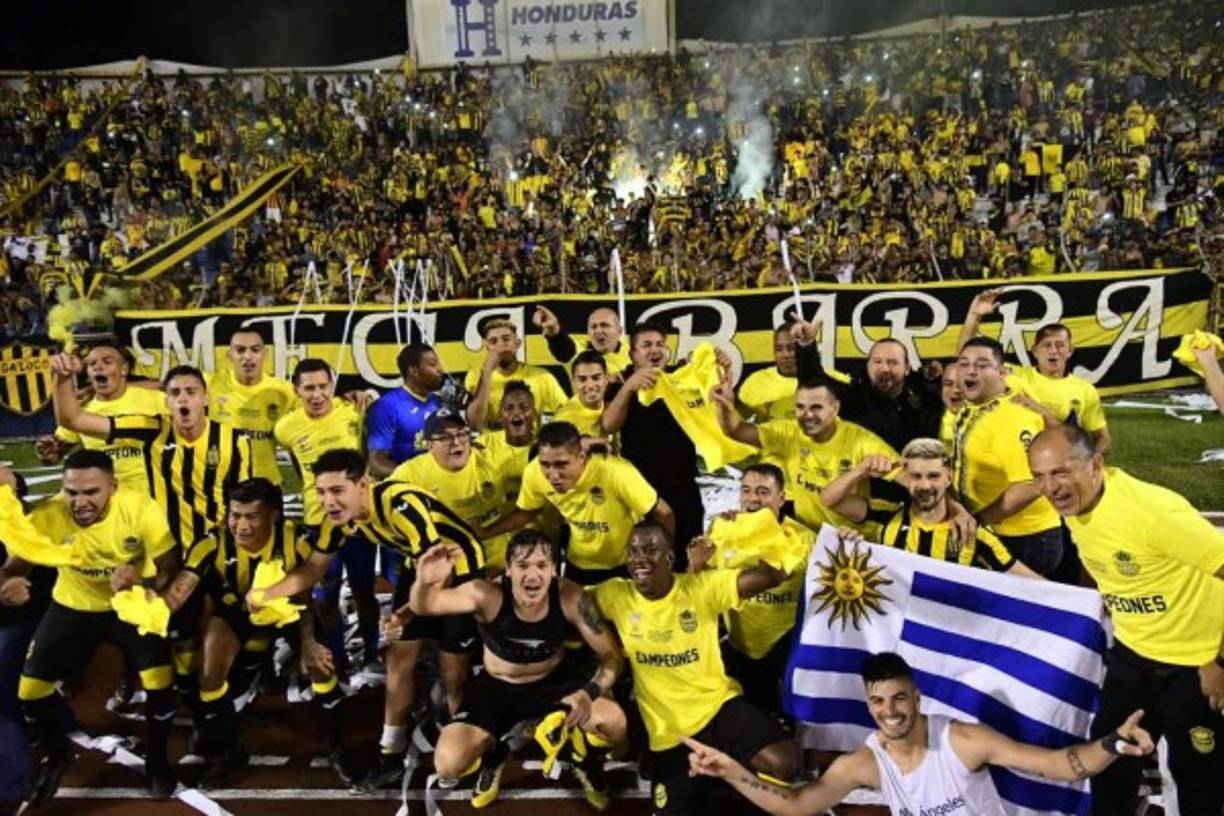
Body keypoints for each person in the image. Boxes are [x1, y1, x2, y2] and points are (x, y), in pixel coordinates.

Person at [246, 449, 485, 790]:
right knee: (399, 662)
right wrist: (267, 594)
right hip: (418, 570)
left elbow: (438, 569)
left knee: (453, 675)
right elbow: (314, 568)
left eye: (337, 491)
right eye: (322, 492)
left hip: (458, 572)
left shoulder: (401, 503)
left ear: (364, 484)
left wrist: (404, 614)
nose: (328, 501)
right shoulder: (338, 519)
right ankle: (391, 751)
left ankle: (464, 751)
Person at [685, 651, 1155, 816]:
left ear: (916, 698)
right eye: (878, 702)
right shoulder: (866, 762)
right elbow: (799, 805)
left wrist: (1114, 743)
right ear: (869, 705)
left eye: (898, 699)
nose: (889, 712)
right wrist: (729, 771)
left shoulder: (963, 741)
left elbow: (1060, 766)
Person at [1028, 425, 1224, 815]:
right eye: (1040, 476)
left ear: (1096, 464)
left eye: (1061, 472)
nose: (1050, 487)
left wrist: (1220, 662)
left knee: (1197, 777)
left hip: (1195, 664)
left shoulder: (1151, 513)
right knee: (1110, 760)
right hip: (1134, 656)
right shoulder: (1077, 504)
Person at [49, 357, 254, 697]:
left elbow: (246, 502)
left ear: (205, 398)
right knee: (177, 626)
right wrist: (61, 378)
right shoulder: (151, 427)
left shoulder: (234, 441)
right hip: (172, 552)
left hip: (219, 551)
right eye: (175, 393)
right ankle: (187, 689)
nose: (184, 399)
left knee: (241, 619)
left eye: (191, 391)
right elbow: (73, 419)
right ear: (167, 401)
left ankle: (242, 683)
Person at [0, 451, 180, 801]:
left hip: (126, 605)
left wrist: (143, 580)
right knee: (30, 691)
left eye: (91, 492)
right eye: (71, 492)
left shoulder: (140, 508)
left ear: (113, 487)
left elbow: (169, 567)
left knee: (160, 681)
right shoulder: (49, 516)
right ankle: (59, 752)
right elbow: (13, 568)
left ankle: (158, 761)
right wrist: (7, 588)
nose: (79, 502)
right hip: (72, 606)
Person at [409, 530, 628, 809]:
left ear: (553, 569)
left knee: (614, 724)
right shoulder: (485, 594)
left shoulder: (571, 596)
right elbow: (425, 605)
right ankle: (494, 753)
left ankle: (581, 757)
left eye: (542, 566)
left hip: (554, 682)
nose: (533, 576)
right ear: (509, 570)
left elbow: (612, 656)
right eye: (523, 566)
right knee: (448, 764)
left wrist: (589, 692)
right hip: (498, 687)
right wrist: (424, 582)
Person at [590, 521, 797, 815]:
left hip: (718, 708)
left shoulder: (702, 588)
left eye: (650, 550)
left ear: (670, 558)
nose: (640, 558)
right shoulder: (614, 595)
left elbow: (772, 576)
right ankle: (705, 769)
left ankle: (727, 766)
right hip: (670, 733)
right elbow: (571, 603)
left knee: (784, 763)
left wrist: (755, 532)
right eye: (633, 551)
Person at [160, 478, 353, 787]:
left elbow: (306, 596)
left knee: (320, 666)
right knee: (210, 677)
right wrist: (145, 606)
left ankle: (337, 748)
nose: (241, 525)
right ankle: (228, 753)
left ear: (273, 516)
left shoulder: (296, 540)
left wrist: (307, 644)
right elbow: (181, 589)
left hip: (289, 609)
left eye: (252, 516)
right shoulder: (212, 541)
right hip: (235, 611)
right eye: (235, 515)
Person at [273, 359, 380, 675]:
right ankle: (338, 657)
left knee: (364, 592)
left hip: (357, 526)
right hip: (317, 526)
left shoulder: (354, 412)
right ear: (297, 390)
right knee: (324, 598)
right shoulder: (285, 428)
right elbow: (296, 467)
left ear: (333, 386)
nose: (317, 394)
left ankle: (372, 653)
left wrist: (367, 393)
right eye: (309, 388)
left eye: (323, 386)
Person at [687, 464, 815, 716]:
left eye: (763, 492)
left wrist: (755, 532)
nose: (752, 498)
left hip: (784, 648)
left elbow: (778, 574)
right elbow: (698, 591)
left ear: (782, 497)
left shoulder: (804, 538)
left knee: (790, 717)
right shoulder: (721, 530)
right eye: (746, 490)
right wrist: (697, 562)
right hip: (738, 646)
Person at [479, 421, 674, 586]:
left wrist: (663, 561)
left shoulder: (615, 472)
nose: (553, 475)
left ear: (581, 456)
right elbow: (526, 512)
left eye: (562, 465)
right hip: (578, 564)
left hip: (623, 565)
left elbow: (663, 513)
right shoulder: (534, 472)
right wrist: (486, 532)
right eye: (546, 465)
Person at [822, 438, 1041, 578]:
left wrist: (1073, 604)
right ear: (905, 478)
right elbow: (830, 500)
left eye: (934, 476)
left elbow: (1029, 581)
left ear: (948, 478)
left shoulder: (970, 533)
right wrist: (860, 471)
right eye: (916, 476)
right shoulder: (886, 516)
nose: (925, 486)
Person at [712, 375, 898, 532]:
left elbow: (909, 476)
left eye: (816, 407)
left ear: (835, 408)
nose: (807, 415)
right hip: (808, 537)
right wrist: (724, 406)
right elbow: (737, 430)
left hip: (853, 540)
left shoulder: (861, 441)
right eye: (800, 407)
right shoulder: (789, 433)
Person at [952, 337, 1065, 577]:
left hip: (1025, 538)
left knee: (1021, 611)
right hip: (1001, 530)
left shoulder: (1011, 419)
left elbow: (1032, 483)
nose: (971, 370)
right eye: (964, 364)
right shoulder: (986, 395)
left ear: (1001, 372)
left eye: (982, 365)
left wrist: (979, 520)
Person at [600, 321, 706, 568]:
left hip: (685, 491)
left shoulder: (680, 380)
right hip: (642, 493)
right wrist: (629, 387)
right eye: (646, 345)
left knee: (686, 563)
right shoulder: (618, 383)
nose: (654, 350)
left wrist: (718, 366)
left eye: (660, 344)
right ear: (632, 354)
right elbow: (608, 426)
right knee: (643, 562)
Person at [959, 289, 1110, 454]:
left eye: (1060, 345)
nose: (1053, 351)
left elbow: (1102, 438)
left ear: (1070, 350)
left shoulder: (1085, 390)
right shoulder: (1015, 375)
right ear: (1035, 351)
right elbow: (969, 354)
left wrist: (1092, 458)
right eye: (1046, 345)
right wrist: (974, 315)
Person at [389, 412, 521, 570]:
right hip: (443, 563)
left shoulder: (491, 459)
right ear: (429, 445)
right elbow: (379, 506)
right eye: (445, 438)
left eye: (462, 434)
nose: (456, 442)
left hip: (495, 560)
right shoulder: (410, 473)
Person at [792, 315, 943, 451]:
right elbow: (814, 382)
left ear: (907, 368)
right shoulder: (854, 398)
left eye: (893, 362)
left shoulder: (927, 395)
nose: (885, 369)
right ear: (868, 366)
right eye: (877, 362)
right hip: (868, 479)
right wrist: (806, 346)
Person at [35, 342, 167, 490]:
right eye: (92, 364)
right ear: (89, 374)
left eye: (107, 361)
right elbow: (54, 453)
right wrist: (48, 451)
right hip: (104, 496)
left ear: (124, 369)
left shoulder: (157, 399)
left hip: (152, 493)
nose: (98, 366)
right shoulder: (82, 411)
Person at [206, 326, 299, 483]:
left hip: (266, 482)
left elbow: (308, 424)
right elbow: (166, 386)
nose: (248, 357)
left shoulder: (284, 391)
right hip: (222, 482)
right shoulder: (209, 383)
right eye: (240, 350)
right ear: (230, 355)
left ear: (264, 354)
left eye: (255, 350)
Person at [464, 317, 567, 429]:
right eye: (493, 341)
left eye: (506, 339)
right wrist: (487, 372)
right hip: (491, 445)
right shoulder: (475, 376)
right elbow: (474, 423)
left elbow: (567, 414)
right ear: (486, 347)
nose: (500, 345)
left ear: (517, 343)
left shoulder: (542, 377)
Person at [366, 342, 446, 478]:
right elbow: (376, 463)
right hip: (406, 486)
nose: (440, 370)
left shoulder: (439, 403)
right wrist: (416, 477)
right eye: (433, 364)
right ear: (414, 371)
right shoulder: (387, 406)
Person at [736, 321, 803, 423]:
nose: (785, 355)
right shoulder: (758, 381)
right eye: (778, 349)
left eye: (792, 348)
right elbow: (736, 422)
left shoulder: (826, 382)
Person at [534, 305, 632, 373]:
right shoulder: (580, 352)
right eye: (593, 327)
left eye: (604, 325)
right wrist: (553, 328)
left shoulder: (634, 352)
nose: (598, 331)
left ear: (619, 331)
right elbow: (562, 345)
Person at [554, 350, 611, 439]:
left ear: (606, 378)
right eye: (582, 379)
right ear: (573, 381)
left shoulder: (617, 403)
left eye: (596, 378)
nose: (590, 385)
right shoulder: (564, 420)